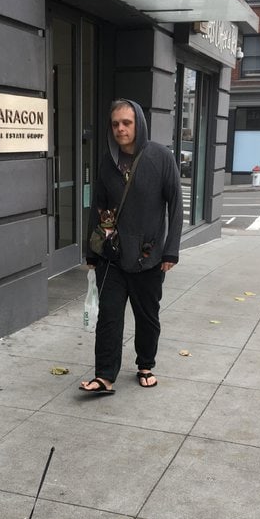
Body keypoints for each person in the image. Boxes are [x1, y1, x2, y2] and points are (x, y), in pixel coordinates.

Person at [79, 98, 183, 395]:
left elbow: (175, 204)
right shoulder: (106, 160)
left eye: (126, 123)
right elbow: (97, 207)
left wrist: (171, 250)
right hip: (111, 255)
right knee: (109, 316)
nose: (120, 129)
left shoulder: (160, 157)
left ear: (138, 123)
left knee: (147, 315)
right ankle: (105, 375)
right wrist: (92, 250)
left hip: (148, 256)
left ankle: (145, 364)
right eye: (115, 124)